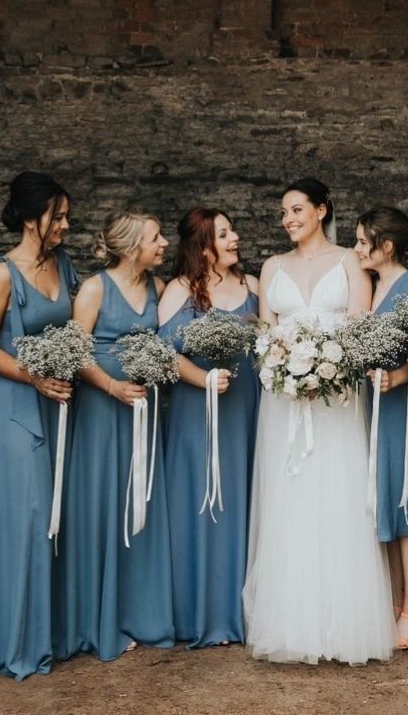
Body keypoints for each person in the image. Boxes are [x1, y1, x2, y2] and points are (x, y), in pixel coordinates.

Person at [243, 178, 397, 665]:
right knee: (289, 503)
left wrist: (327, 370)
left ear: (321, 211)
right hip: (284, 403)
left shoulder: (349, 262)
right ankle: (293, 624)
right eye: (284, 212)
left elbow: (360, 328)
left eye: (296, 210)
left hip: (337, 401)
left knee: (339, 498)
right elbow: (264, 338)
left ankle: (343, 626)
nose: (288, 219)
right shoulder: (272, 267)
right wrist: (284, 371)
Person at [0, 171, 77, 679]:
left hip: (59, 406)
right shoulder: (0, 275)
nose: (65, 226)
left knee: (57, 520)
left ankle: (50, 632)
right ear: (33, 218)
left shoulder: (65, 264)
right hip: (16, 408)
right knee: (29, 518)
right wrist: (33, 376)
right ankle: (13, 637)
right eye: (58, 217)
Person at [58, 212, 175, 661]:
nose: (163, 243)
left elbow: (164, 344)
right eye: (155, 237)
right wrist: (111, 386)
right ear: (130, 248)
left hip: (142, 414)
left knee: (140, 507)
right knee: (103, 507)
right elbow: (74, 352)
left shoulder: (157, 289)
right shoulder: (94, 290)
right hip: (103, 417)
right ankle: (98, 620)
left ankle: (140, 613)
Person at [158, 208, 259, 647]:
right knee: (196, 503)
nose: (235, 237)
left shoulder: (253, 287)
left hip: (245, 411)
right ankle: (195, 613)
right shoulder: (179, 290)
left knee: (242, 501)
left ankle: (242, 612)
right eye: (224, 233)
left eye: (232, 229)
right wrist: (204, 379)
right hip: (193, 413)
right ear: (203, 246)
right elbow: (163, 352)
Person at [355, 207, 408, 650]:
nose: (357, 249)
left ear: (386, 247)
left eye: (364, 242)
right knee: (382, 503)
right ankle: (393, 603)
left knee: (405, 508)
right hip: (372, 405)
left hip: (400, 408)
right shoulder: (371, 284)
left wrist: (399, 376)